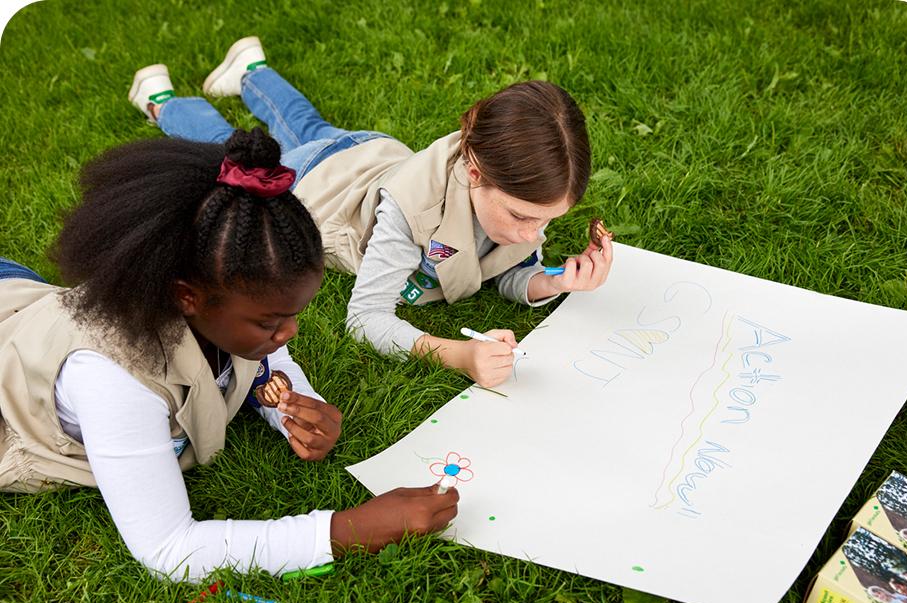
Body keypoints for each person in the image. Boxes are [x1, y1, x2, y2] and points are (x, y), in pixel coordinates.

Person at [0, 128, 458, 581]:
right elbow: (169, 549)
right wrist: (350, 529)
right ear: (187, 297)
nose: (290, 333)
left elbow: (261, 362)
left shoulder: (219, 296)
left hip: (29, 300)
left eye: (292, 315)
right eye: (270, 322)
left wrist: (293, 406)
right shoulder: (112, 380)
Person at [128, 36, 612, 389]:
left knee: (308, 124)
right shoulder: (411, 211)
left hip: (369, 153)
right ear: (476, 171)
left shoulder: (514, 194)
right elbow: (365, 318)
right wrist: (458, 354)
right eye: (524, 218)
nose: (535, 233)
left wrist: (554, 282)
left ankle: (252, 71)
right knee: (227, 152)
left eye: (547, 220)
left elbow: (501, 271)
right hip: (315, 183)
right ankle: (162, 101)